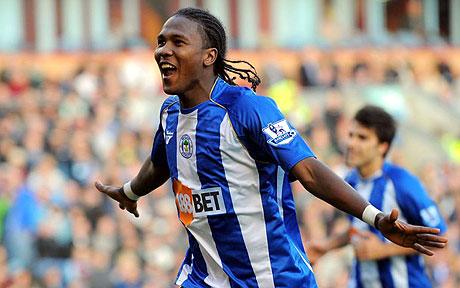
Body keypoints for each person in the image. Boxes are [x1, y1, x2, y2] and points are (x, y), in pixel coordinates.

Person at [95, 7, 447, 288]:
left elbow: (308, 170)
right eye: (160, 42)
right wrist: (130, 191)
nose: (162, 51)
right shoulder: (170, 113)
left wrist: (375, 218)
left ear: (209, 56)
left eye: (177, 42)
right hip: (203, 277)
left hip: (273, 278)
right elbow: (160, 162)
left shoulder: (247, 108)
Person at [308, 105, 447, 288]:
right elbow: (357, 230)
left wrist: (383, 250)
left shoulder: (402, 182)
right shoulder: (350, 182)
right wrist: (326, 247)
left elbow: (438, 236)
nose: (351, 144)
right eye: (351, 135)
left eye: (362, 138)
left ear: (383, 146)